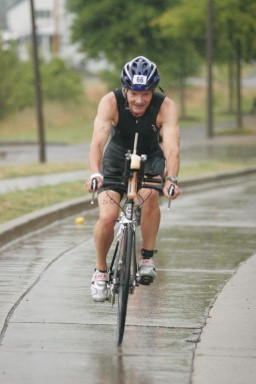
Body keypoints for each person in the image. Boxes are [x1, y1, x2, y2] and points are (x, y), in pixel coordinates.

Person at [86, 56, 181, 302]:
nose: (139, 100)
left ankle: (147, 257)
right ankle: (101, 271)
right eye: (134, 93)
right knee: (107, 217)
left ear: (154, 91)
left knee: (149, 195)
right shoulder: (110, 102)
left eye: (146, 93)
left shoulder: (166, 107)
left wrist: (171, 179)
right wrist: (95, 172)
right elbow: (97, 142)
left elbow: (172, 146)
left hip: (150, 157)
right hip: (116, 158)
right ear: (125, 89)